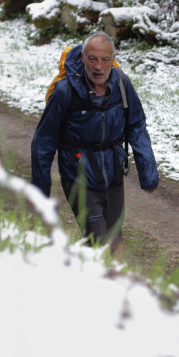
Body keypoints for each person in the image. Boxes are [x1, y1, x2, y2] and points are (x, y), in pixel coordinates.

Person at [31, 31, 159, 252]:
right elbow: (43, 142)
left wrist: (148, 175)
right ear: (82, 58)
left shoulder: (121, 84)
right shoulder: (65, 92)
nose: (98, 66)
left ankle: (89, 282)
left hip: (113, 173)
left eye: (104, 59)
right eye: (92, 59)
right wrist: (40, 193)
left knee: (114, 241)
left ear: (113, 60)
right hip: (78, 177)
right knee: (101, 244)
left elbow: (136, 124)